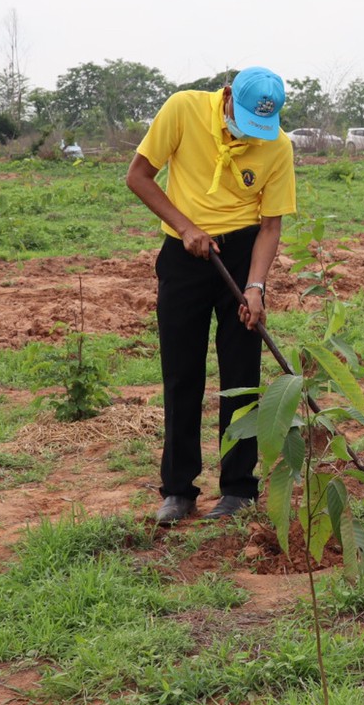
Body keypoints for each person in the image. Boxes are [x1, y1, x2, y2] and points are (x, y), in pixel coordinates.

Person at [126, 68, 296, 524]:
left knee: (240, 374)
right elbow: (139, 176)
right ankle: (178, 490)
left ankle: (239, 489)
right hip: (184, 254)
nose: (249, 131)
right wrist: (185, 227)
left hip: (240, 259)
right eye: (242, 118)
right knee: (181, 374)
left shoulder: (277, 145)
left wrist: (256, 287)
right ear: (225, 97)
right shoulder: (183, 110)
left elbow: (271, 225)